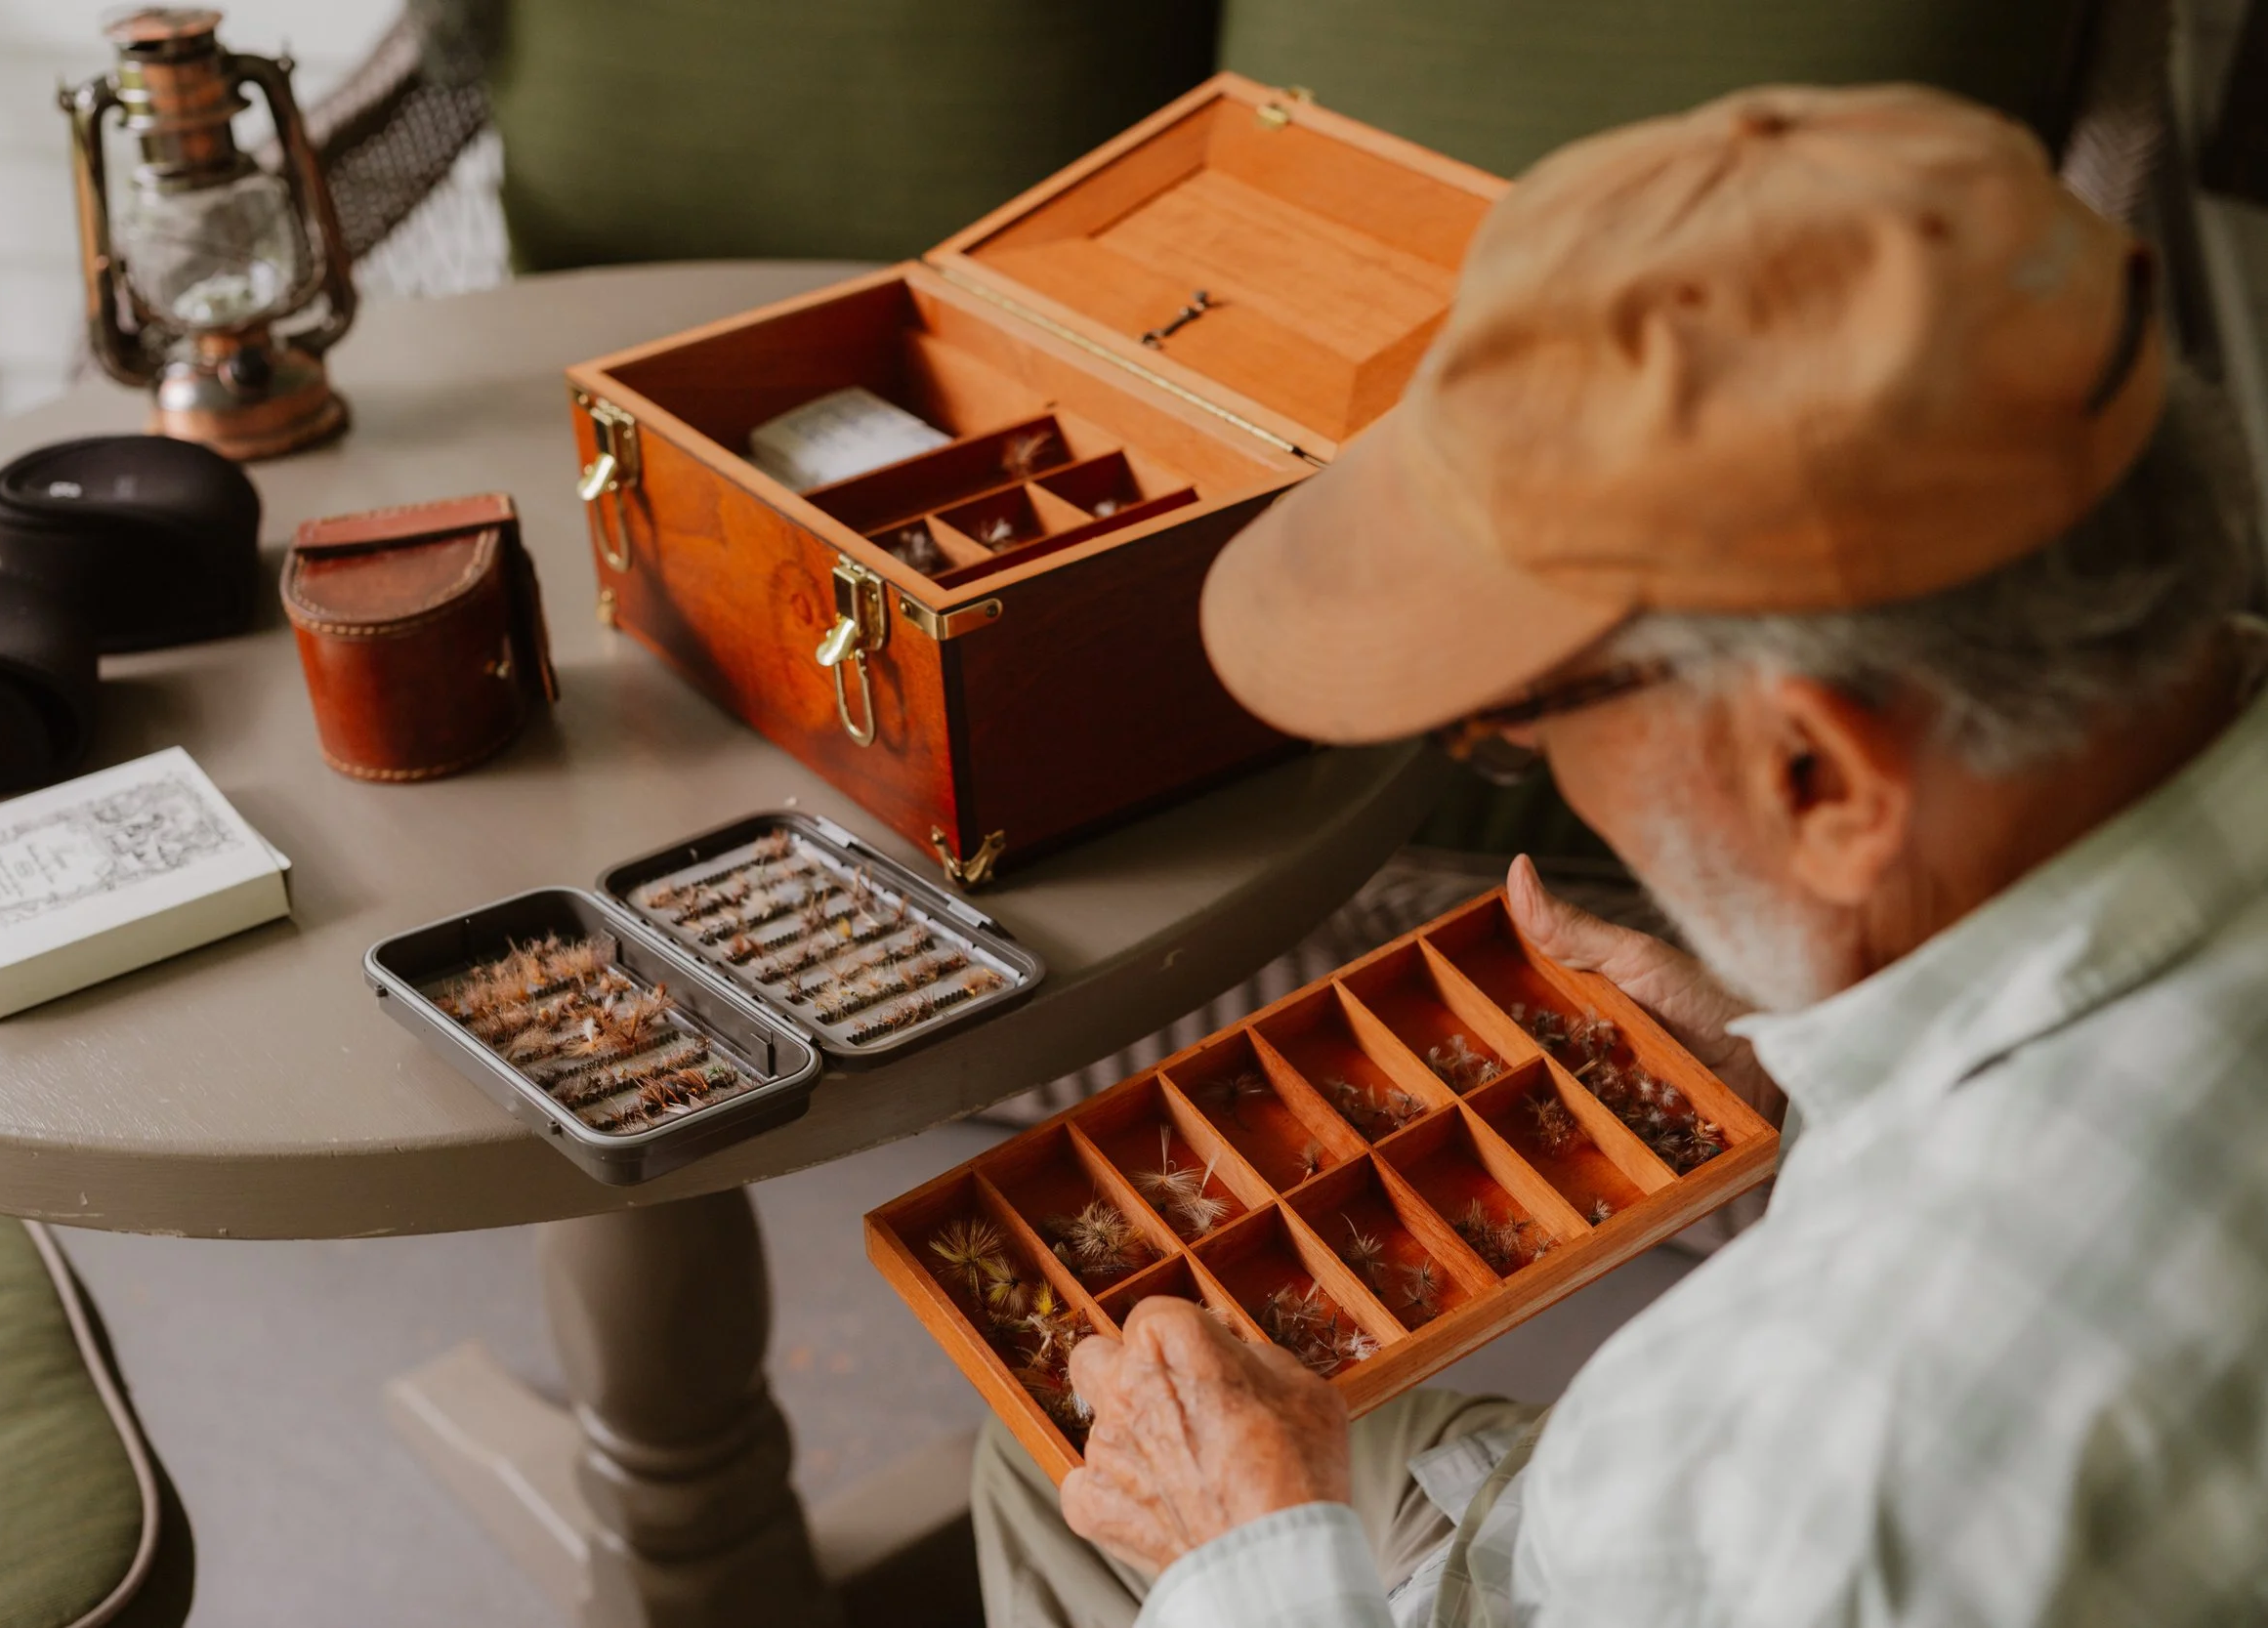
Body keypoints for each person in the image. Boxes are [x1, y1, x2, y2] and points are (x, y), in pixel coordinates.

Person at [969, 82, 2268, 1627]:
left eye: (1518, 713)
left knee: (1073, 1466)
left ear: (1821, 778)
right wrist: (1824, 1050)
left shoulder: (1830, 1470)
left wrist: (1247, 1554)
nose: (1525, 757)